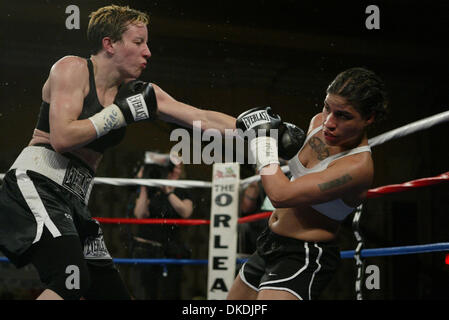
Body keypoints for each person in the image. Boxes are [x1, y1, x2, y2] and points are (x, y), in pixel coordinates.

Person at [0, 5, 235, 300]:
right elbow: (62, 137)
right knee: (69, 278)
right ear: (109, 44)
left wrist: (259, 129)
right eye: (138, 42)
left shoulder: (140, 93)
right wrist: (117, 113)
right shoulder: (72, 69)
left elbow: (202, 117)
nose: (148, 52)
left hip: (75, 199)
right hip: (37, 183)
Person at [228, 67, 388, 300]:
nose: (329, 123)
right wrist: (164, 105)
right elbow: (231, 126)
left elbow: (280, 194)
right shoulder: (318, 124)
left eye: (343, 115)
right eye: (327, 108)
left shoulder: (358, 166)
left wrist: (263, 142)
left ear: (369, 117)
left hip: (303, 255)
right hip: (269, 243)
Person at [130, 152, 193, 300]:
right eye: (172, 167)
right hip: (147, 249)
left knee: (170, 293)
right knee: (146, 294)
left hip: (171, 249)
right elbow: (139, 214)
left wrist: (168, 192)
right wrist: (145, 185)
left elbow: (186, 212)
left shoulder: (183, 189)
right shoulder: (152, 189)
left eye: (178, 167)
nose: (175, 171)